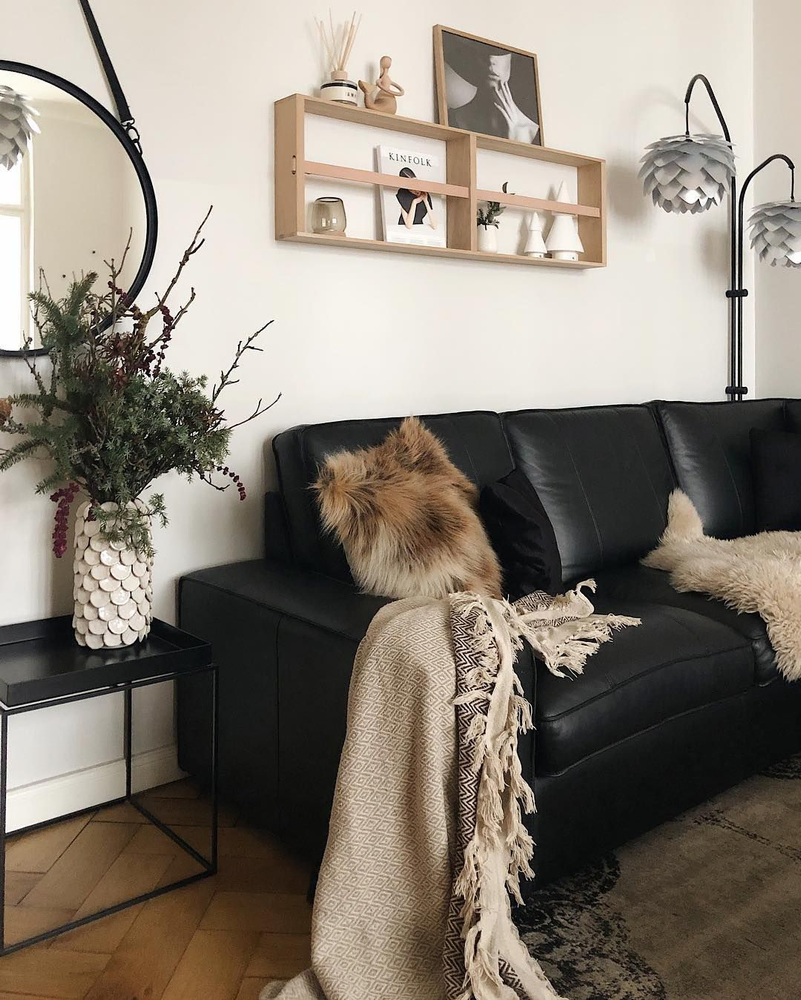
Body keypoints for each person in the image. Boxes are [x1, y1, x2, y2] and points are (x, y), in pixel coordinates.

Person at [447, 46, 540, 144]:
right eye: (482, 53)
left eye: (500, 54)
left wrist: (517, 146)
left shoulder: (531, 132)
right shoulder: (451, 119)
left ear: (511, 59)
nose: (491, 59)